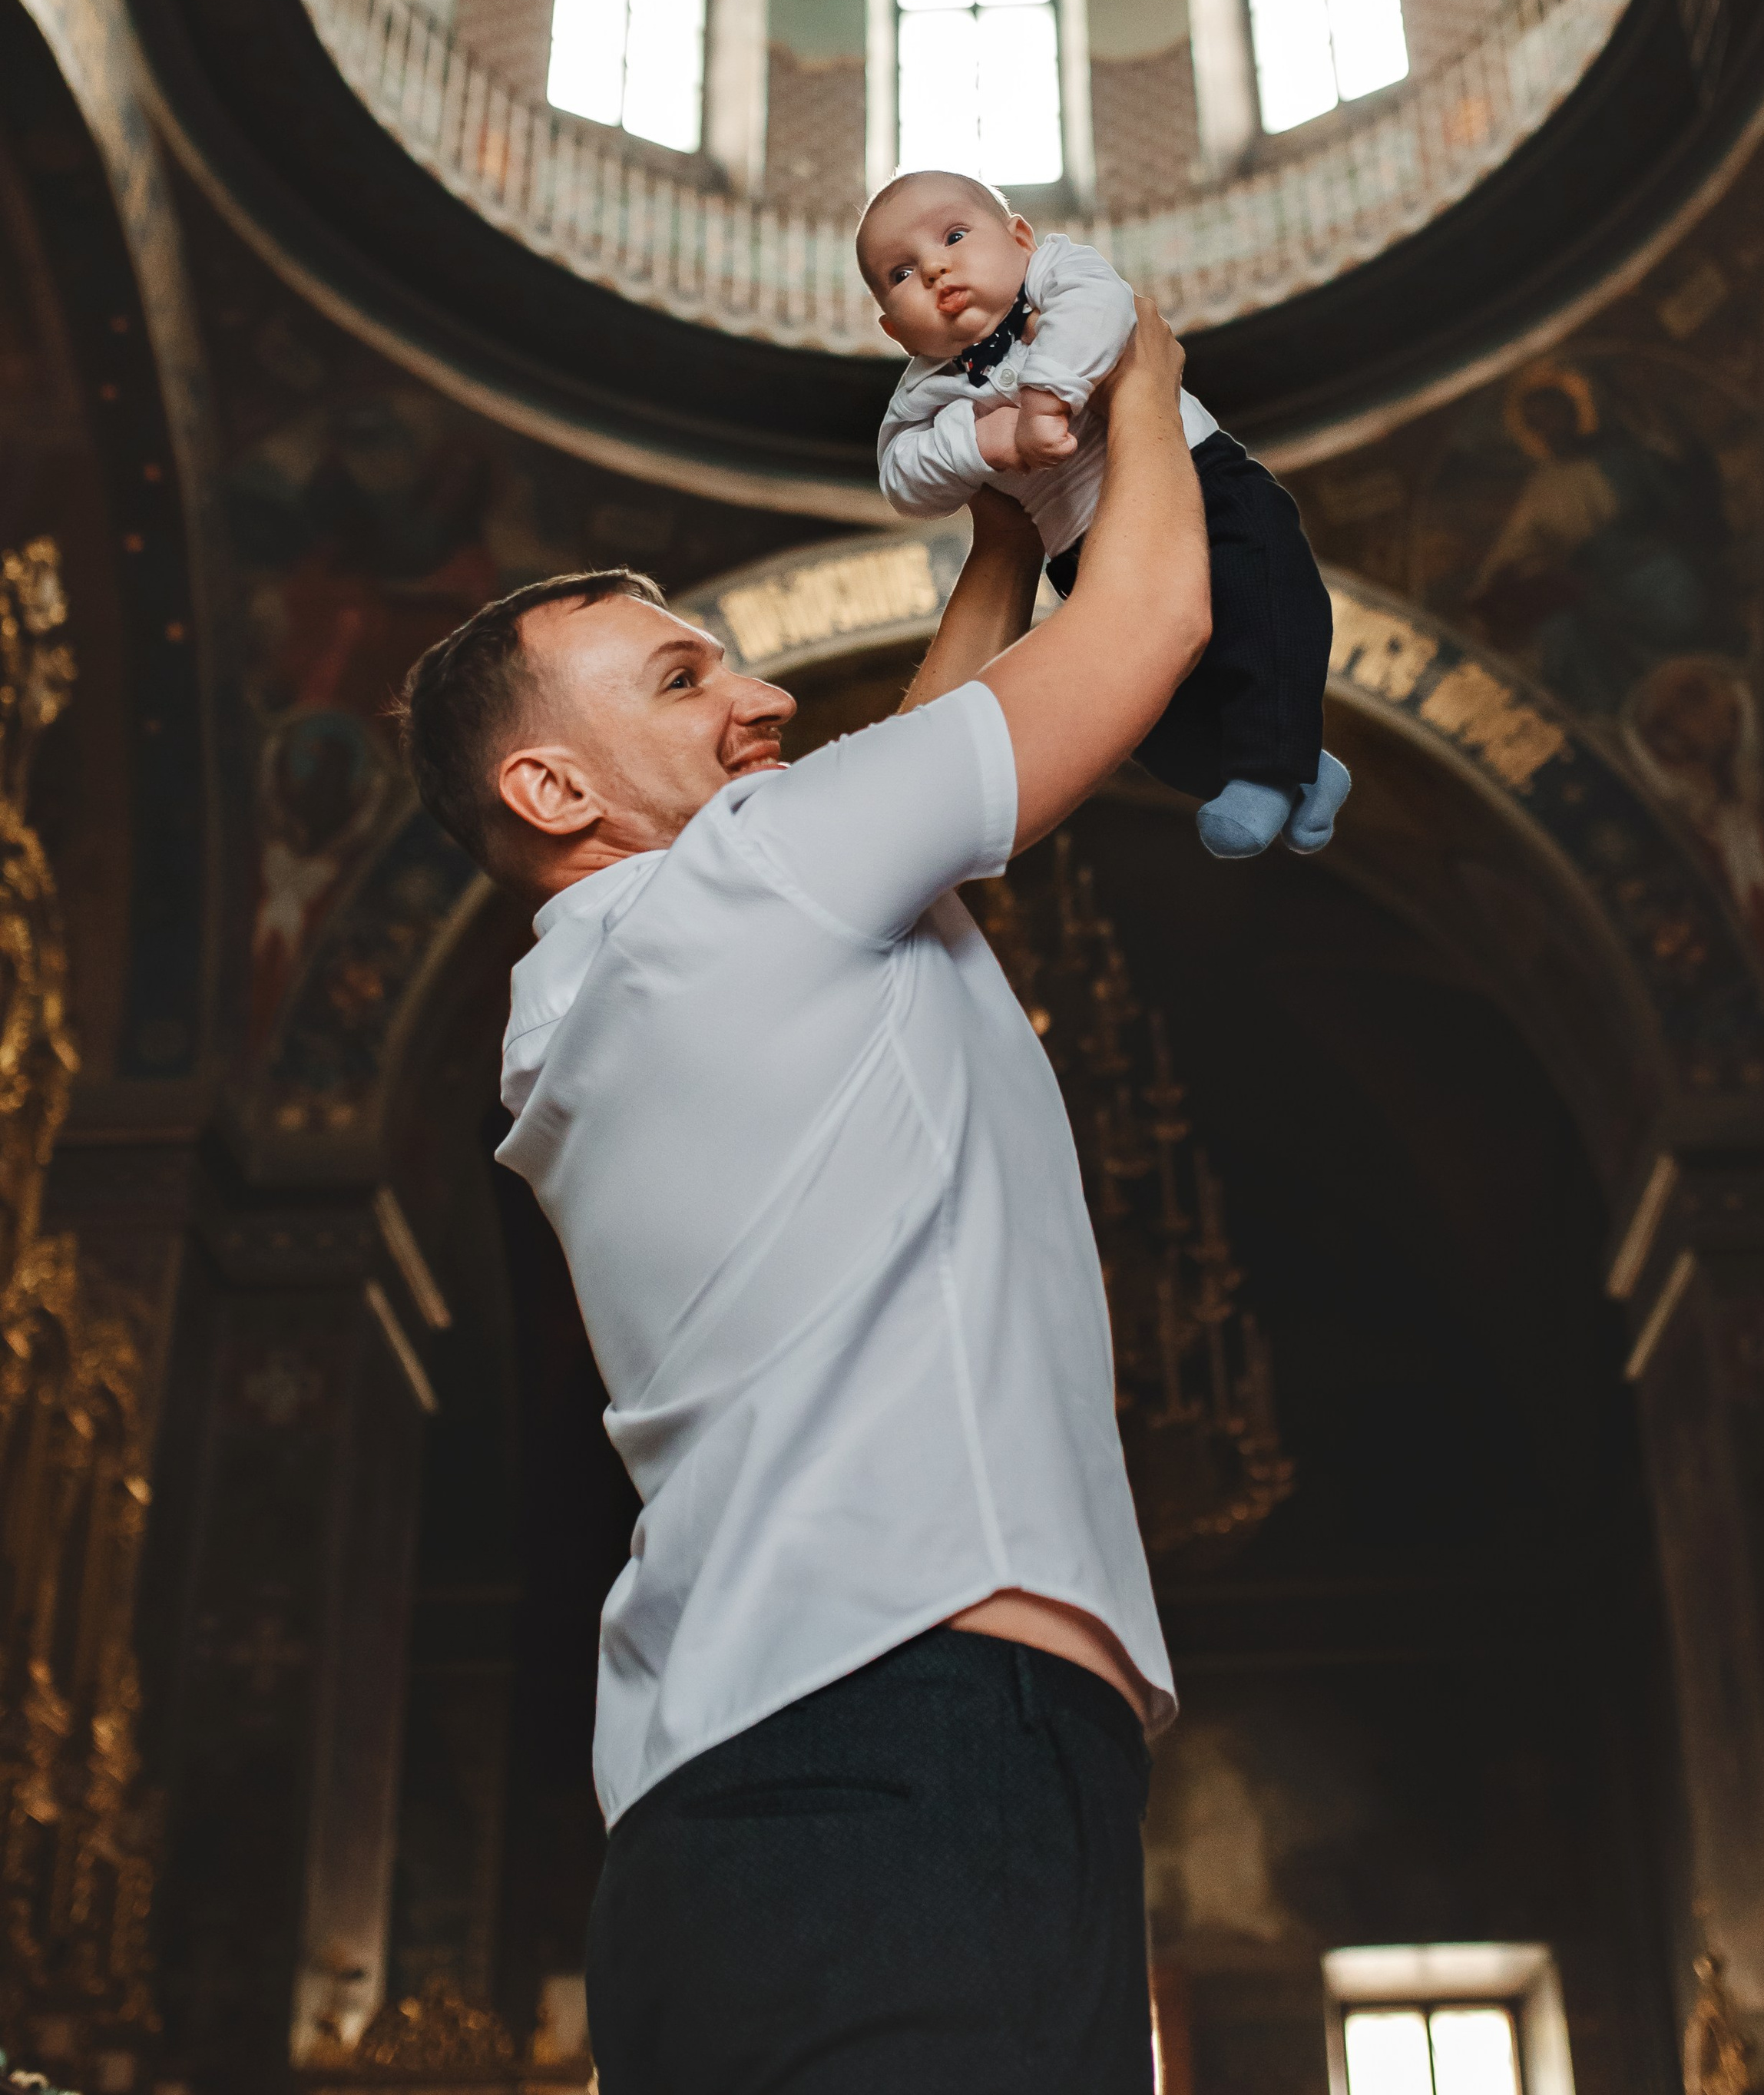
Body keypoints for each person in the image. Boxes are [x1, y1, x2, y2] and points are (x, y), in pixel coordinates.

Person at [395, 302, 1212, 2094]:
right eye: (683, 679)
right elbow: (1151, 619)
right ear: (551, 784)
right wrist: (1138, 370)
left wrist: (995, 541)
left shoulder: (601, 986)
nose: (760, 694)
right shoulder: (757, 880)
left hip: (743, 1794)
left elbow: (908, 771)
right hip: (913, 1745)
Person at [862, 167, 1349, 859]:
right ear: (893, 329)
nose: (936, 266)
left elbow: (1104, 312)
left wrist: (1043, 399)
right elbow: (904, 479)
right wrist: (984, 440)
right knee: (1139, 705)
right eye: (901, 273)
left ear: (1021, 238)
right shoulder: (926, 393)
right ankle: (1289, 766)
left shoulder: (1060, 272)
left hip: (1206, 486)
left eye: (955, 235)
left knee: (1268, 606)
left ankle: (1273, 769)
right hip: (1083, 551)